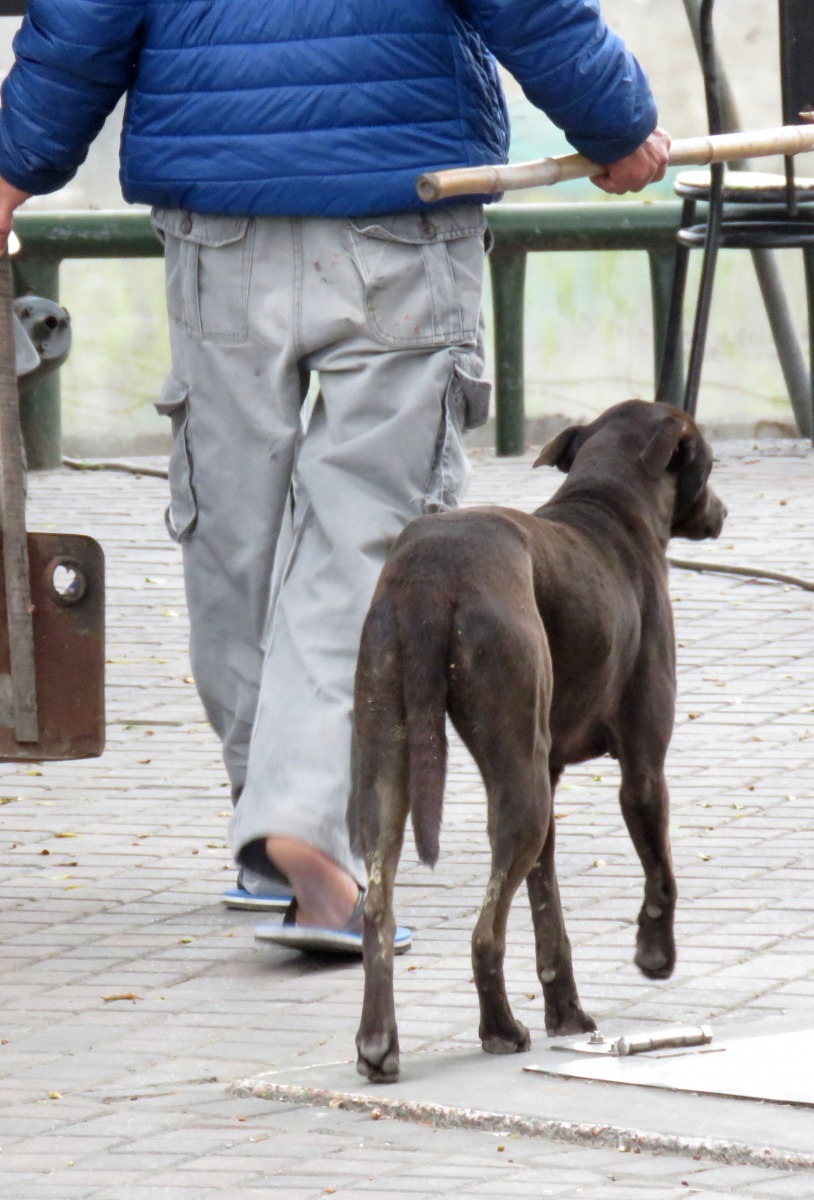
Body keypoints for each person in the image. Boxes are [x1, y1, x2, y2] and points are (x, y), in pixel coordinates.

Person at [0, 1, 668, 952]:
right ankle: (306, 831)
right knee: (369, 534)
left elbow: (86, 15)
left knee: (231, 529)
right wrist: (617, 123)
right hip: (399, 204)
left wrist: (13, 167)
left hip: (220, 206)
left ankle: (270, 829)